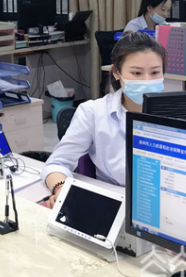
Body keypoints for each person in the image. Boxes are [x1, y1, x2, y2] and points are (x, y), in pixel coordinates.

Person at [41, 32, 167, 208]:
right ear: (116, 72)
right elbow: (57, 163)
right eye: (136, 73)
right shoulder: (94, 112)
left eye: (155, 72)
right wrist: (61, 188)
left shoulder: (178, 114)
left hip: (166, 204)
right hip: (114, 203)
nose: (147, 81)